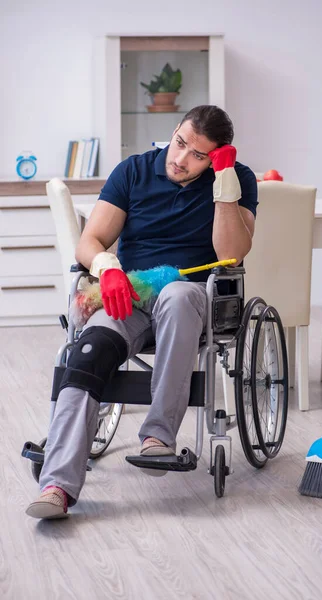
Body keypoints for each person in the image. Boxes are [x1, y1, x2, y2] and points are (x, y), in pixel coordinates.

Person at [26, 105, 258, 519]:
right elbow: (91, 239)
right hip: (129, 294)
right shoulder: (133, 171)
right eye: (180, 142)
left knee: (177, 296)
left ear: (218, 157)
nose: (181, 159)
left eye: (198, 155)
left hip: (191, 297)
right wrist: (107, 268)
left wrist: (224, 180)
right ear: (174, 131)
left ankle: (157, 438)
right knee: (88, 351)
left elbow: (231, 253)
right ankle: (57, 485)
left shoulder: (236, 180)